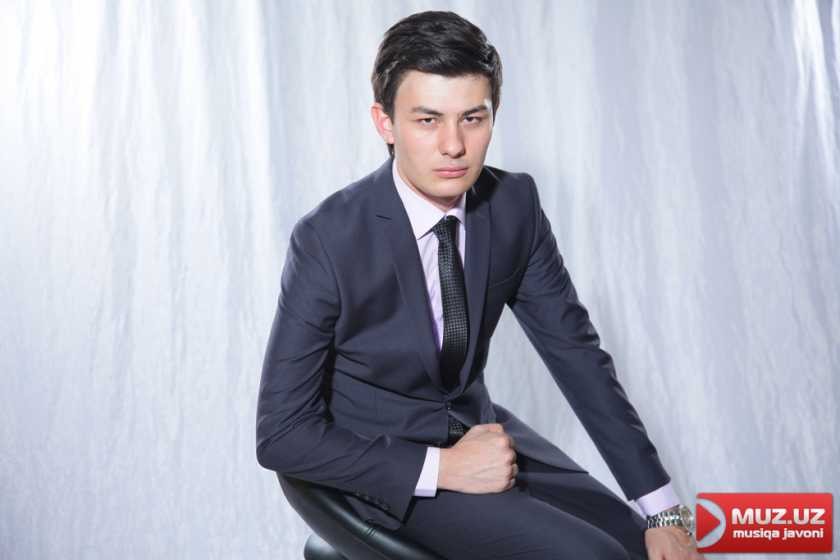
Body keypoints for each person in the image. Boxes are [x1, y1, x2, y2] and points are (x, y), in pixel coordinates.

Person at [257, 10, 704, 560]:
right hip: (381, 466)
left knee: (642, 544)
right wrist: (443, 468)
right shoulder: (328, 239)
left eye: (472, 118)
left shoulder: (513, 205)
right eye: (427, 120)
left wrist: (662, 510)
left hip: (480, 432)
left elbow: (577, 356)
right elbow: (280, 434)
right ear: (385, 123)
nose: (454, 145)